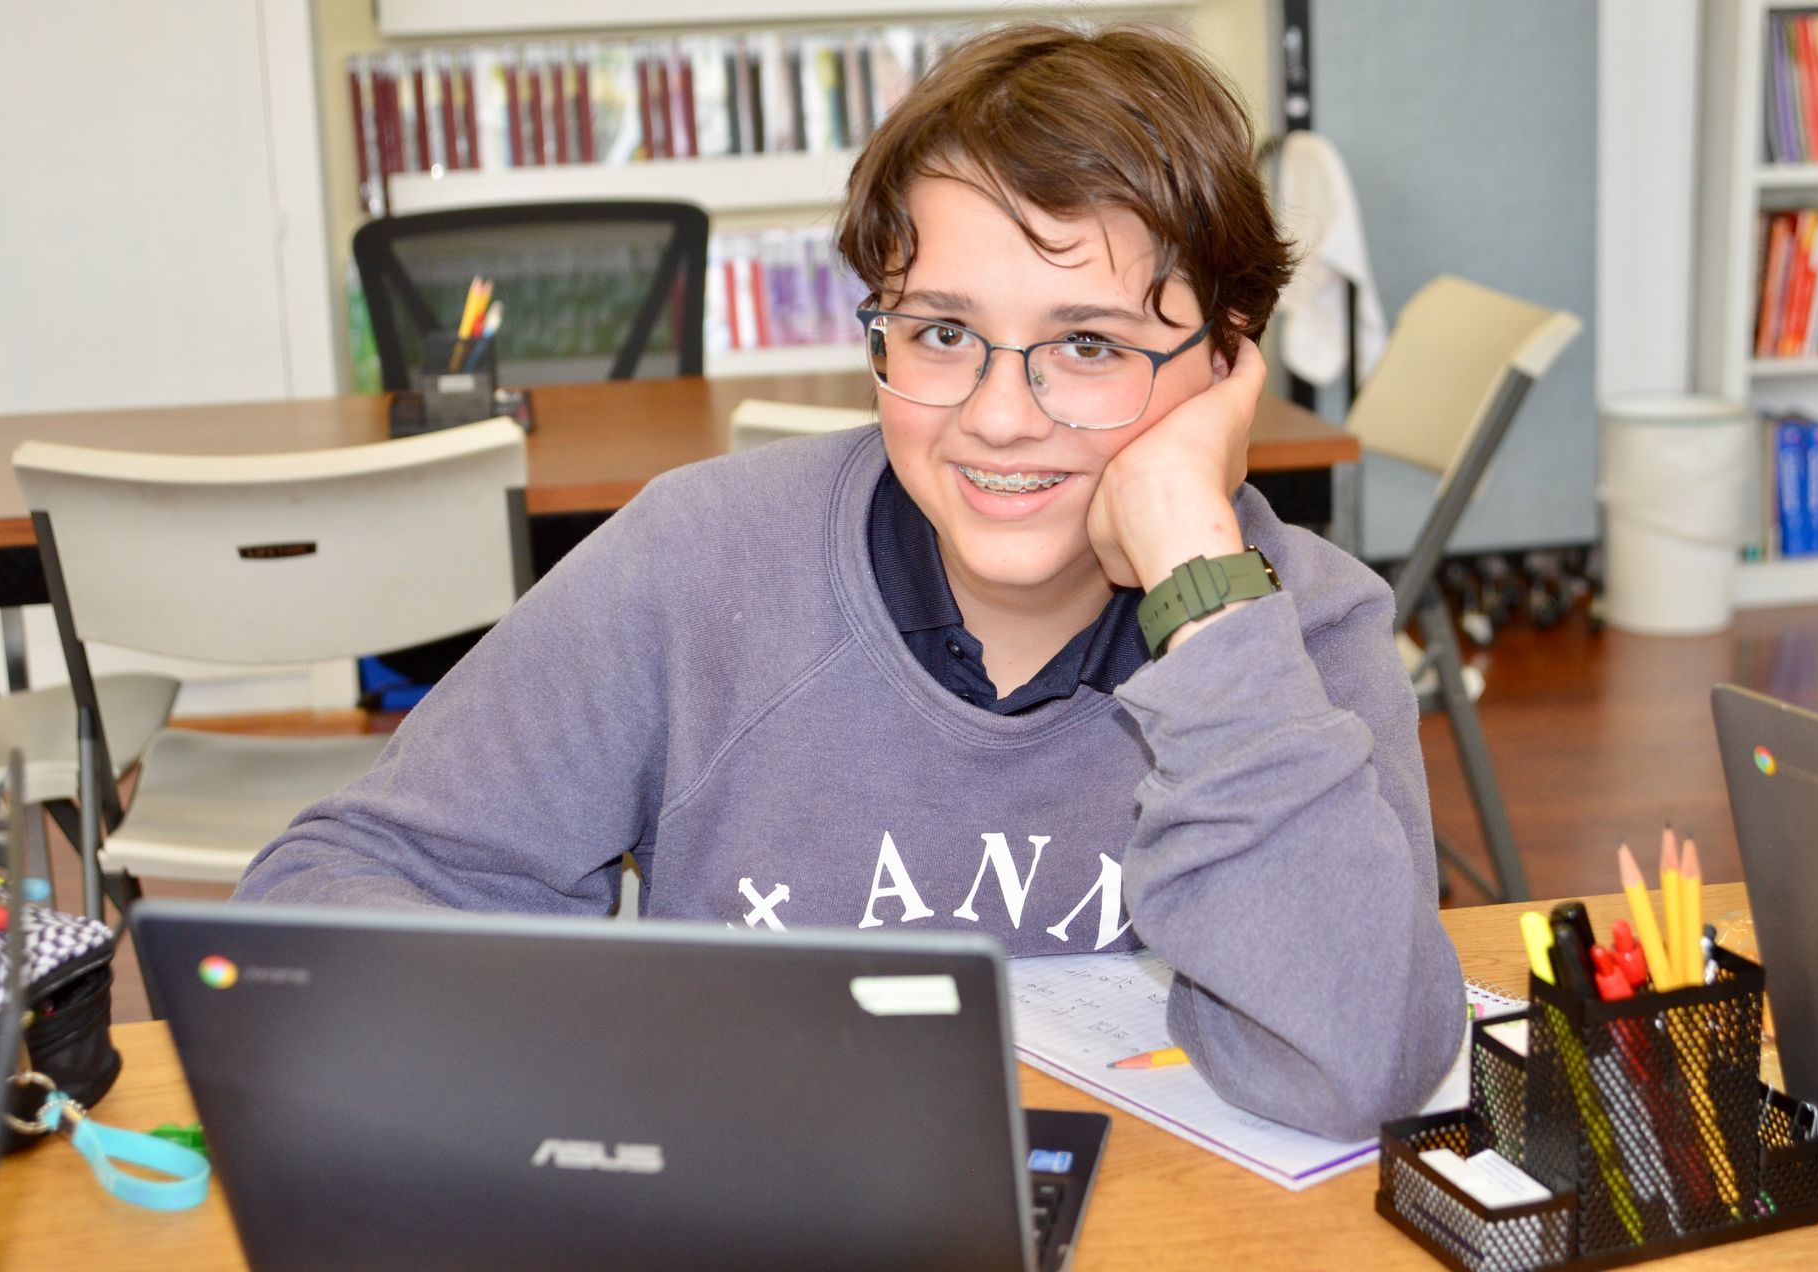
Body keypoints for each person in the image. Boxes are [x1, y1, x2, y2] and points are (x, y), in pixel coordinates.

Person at [237, 22, 1463, 1141]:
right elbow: (323, 890)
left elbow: (1362, 1061)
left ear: (1228, 363)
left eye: (1089, 344)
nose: (998, 416)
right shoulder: (699, 561)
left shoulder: (1302, 630)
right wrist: (605, 1048)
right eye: (941, 333)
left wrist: (1200, 584)